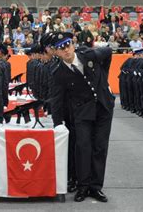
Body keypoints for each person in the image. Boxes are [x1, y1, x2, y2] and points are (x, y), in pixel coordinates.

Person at [49, 32, 115, 203]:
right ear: (56, 52)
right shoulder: (58, 72)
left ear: (73, 44)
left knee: (100, 147)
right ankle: (83, 186)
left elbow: (108, 52)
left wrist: (104, 80)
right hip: (82, 111)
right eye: (61, 48)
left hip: (103, 106)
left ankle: (96, 187)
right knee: (83, 147)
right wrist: (58, 123)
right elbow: (56, 99)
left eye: (68, 45)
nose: (66, 50)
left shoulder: (89, 55)